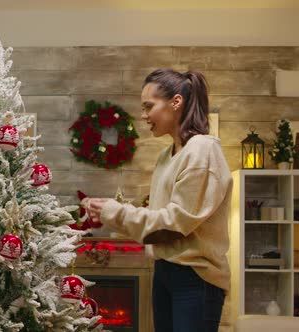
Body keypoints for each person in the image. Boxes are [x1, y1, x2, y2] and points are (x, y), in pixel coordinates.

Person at [85, 69, 232, 332]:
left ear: (176, 102)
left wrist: (115, 212)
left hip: (195, 277)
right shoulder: (167, 156)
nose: (143, 116)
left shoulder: (202, 150)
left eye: (148, 106)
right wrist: (111, 212)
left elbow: (173, 225)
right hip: (164, 271)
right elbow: (158, 220)